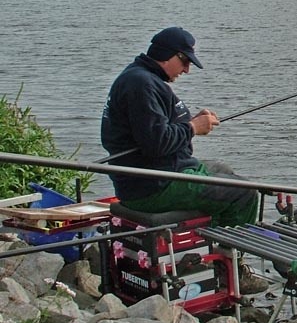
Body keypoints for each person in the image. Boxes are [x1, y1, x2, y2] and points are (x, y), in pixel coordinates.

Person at [101, 26, 268, 293]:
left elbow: (158, 130)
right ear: (171, 55)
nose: (187, 70)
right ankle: (229, 270)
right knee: (245, 194)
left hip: (158, 172)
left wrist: (193, 121)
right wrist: (193, 128)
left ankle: (208, 250)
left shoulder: (141, 78)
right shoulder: (141, 84)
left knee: (223, 171)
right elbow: (156, 143)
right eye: (186, 62)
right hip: (154, 185)